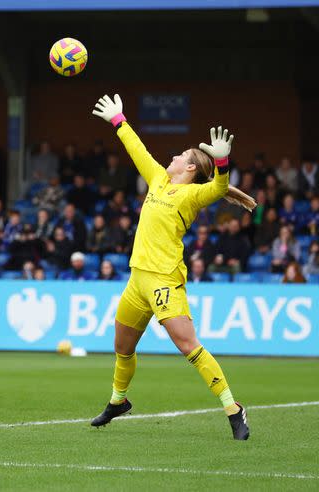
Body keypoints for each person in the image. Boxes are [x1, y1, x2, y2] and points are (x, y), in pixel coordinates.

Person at [89, 94, 255, 440]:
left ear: (190, 168)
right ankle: (118, 401)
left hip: (164, 280)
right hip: (138, 280)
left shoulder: (191, 195)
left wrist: (222, 160)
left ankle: (232, 408)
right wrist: (118, 120)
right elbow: (138, 151)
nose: (173, 157)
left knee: (187, 345)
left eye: (179, 156)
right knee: (122, 347)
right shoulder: (158, 181)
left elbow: (220, 187)